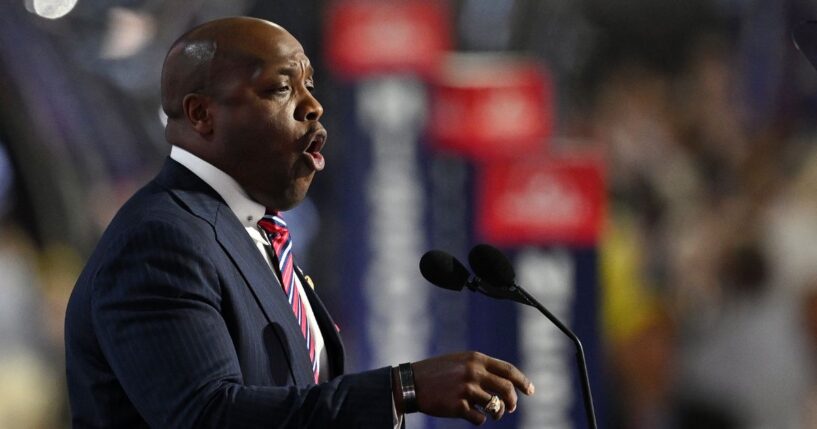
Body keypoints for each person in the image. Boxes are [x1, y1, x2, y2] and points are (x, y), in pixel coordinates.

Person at [64, 16, 534, 428]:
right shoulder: (160, 240)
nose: (313, 106)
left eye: (310, 84)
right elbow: (208, 416)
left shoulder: (255, 231)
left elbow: (297, 401)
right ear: (201, 114)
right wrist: (400, 389)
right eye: (281, 88)